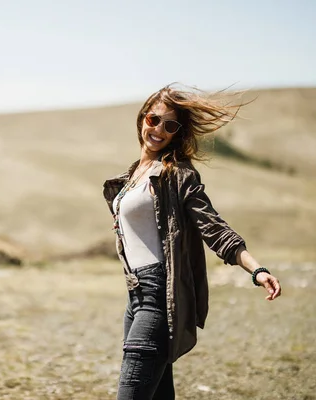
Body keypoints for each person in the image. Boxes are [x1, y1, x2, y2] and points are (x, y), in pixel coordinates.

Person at [102, 83, 282, 399]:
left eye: (170, 125)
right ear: (143, 117)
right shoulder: (134, 175)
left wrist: (256, 269)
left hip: (158, 295)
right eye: (154, 120)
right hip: (135, 298)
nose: (159, 129)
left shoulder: (178, 174)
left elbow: (213, 227)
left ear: (177, 133)